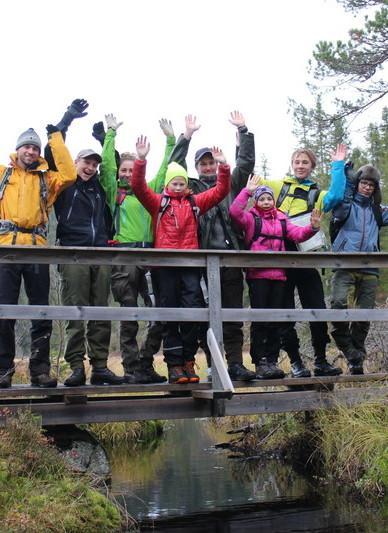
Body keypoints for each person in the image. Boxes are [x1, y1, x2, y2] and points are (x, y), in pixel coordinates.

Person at [131, 135, 230, 384]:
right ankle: (174, 365)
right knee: (169, 314)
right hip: (165, 267)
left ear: (186, 185)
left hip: (190, 266)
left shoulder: (195, 203)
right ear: (167, 184)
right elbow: (139, 188)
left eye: (181, 183)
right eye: (173, 183)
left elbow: (220, 191)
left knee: (193, 312)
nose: (177, 187)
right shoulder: (158, 203)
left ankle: (188, 361)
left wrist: (224, 167)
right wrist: (141, 160)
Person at [169, 112, 256, 381]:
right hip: (202, 261)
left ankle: (235, 363)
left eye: (211, 163)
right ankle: (212, 365)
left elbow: (246, 162)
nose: (208, 167)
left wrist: (243, 130)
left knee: (232, 314)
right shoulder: (191, 188)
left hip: (230, 258)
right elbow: (174, 165)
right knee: (206, 316)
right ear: (196, 167)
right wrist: (186, 136)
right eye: (203, 164)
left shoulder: (229, 183)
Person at [98, 114, 176, 384]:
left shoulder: (150, 190)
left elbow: (165, 171)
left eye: (132, 170)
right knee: (129, 314)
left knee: (158, 312)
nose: (128, 174)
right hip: (123, 256)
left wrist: (170, 141)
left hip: (150, 256)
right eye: (124, 170)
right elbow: (106, 165)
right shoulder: (113, 192)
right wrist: (110, 135)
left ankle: (145, 363)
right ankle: (131, 368)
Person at [259, 144, 347, 377]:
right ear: (292, 164)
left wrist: (338, 165)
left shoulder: (317, 196)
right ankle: (296, 363)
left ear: (311, 167)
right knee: (285, 313)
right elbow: (252, 186)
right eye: (297, 161)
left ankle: (320, 361)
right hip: (281, 260)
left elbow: (337, 195)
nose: (300, 166)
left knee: (317, 309)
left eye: (305, 162)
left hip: (306, 259)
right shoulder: (277, 186)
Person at [0, 125, 76, 388]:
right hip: (6, 249)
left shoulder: (46, 179)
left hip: (37, 248)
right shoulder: (3, 174)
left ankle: (40, 371)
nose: (31, 151)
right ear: (17, 149)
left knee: (40, 311)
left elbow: (69, 173)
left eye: (34, 147)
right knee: (3, 311)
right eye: (26, 146)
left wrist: (55, 137)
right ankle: (3, 369)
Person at [230, 177, 322, 378]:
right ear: (256, 201)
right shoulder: (251, 218)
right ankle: (260, 362)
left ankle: (271, 361)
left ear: (273, 201)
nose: (265, 202)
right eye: (261, 199)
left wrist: (312, 228)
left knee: (275, 320)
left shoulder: (282, 219)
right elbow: (234, 212)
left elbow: (297, 234)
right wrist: (247, 191)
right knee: (261, 320)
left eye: (268, 199)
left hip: (279, 277)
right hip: (258, 276)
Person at [55, 148, 124, 386]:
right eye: (86, 162)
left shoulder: (100, 188)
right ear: (75, 161)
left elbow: (112, 165)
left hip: (100, 252)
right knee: (74, 312)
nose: (90, 168)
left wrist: (104, 140)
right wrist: (68, 119)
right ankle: (76, 367)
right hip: (73, 252)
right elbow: (51, 153)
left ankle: (100, 367)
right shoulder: (65, 185)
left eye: (94, 164)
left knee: (100, 312)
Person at [330, 164, 388, 375]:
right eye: (364, 183)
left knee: (364, 315)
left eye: (371, 185)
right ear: (357, 184)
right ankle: (348, 348)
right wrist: (346, 175)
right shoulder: (346, 206)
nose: (367, 188)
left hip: (370, 268)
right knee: (337, 304)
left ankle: (356, 358)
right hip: (344, 265)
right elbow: (340, 203)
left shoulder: (377, 210)